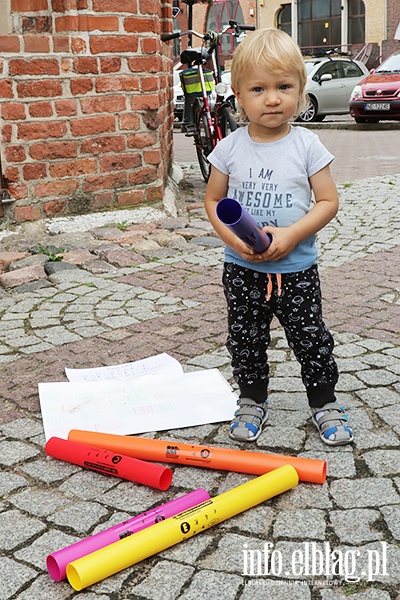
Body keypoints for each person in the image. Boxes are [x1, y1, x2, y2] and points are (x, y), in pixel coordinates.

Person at [204, 28, 353, 446]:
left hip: (297, 269)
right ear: (238, 94)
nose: (272, 98)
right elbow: (214, 201)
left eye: (284, 86)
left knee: (311, 338)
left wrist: (291, 234)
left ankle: (325, 403)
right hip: (242, 269)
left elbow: (327, 201)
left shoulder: (307, 145)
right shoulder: (229, 149)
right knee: (246, 338)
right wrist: (232, 242)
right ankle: (252, 400)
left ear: (301, 89)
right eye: (259, 88)